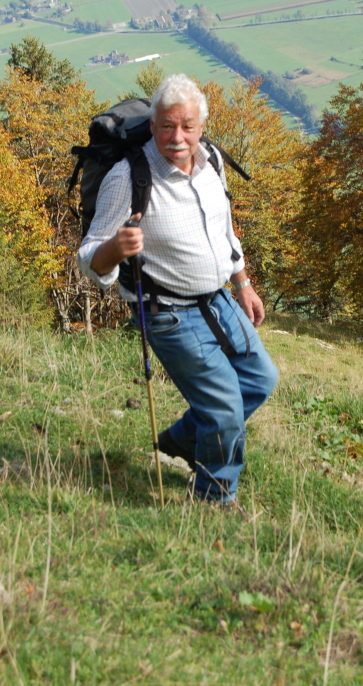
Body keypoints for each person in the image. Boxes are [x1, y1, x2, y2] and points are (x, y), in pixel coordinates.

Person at [78, 74, 278, 507]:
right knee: (224, 406)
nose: (177, 137)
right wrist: (115, 248)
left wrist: (242, 282)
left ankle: (186, 439)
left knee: (260, 379)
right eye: (167, 126)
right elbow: (88, 257)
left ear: (201, 126)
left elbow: (223, 231)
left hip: (218, 298)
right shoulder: (128, 177)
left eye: (187, 126)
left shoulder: (213, 161)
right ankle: (213, 499)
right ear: (152, 126)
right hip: (166, 310)